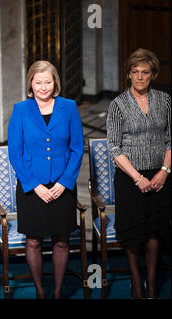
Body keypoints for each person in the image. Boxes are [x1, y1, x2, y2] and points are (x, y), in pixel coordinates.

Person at [8, 60, 84, 299]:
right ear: (31, 83)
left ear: (55, 83)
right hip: (32, 188)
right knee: (33, 242)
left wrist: (64, 182)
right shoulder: (20, 110)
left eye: (48, 82)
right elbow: (14, 152)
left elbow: (77, 148)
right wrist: (35, 186)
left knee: (62, 242)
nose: (43, 87)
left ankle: (59, 292)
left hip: (63, 186)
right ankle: (41, 292)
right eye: (38, 82)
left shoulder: (69, 107)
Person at [106, 48, 170, 299]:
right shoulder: (118, 104)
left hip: (160, 176)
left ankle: (152, 283)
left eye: (145, 72)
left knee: (154, 231)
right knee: (134, 233)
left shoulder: (164, 100)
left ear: (153, 74)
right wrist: (138, 178)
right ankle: (135, 283)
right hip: (130, 178)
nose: (140, 77)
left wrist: (164, 172)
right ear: (128, 74)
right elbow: (114, 147)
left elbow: (170, 139)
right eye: (135, 72)